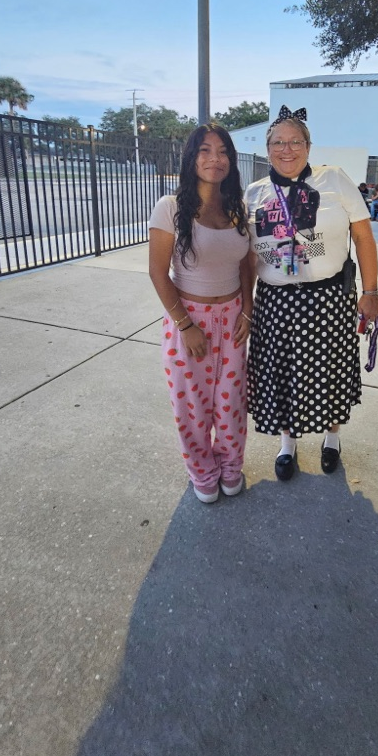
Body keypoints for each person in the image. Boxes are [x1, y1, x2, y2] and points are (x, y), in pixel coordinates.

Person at [245, 105, 378, 481]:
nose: (286, 149)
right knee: (283, 374)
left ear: (308, 145)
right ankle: (287, 444)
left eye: (295, 142)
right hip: (274, 302)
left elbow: (364, 236)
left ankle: (331, 438)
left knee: (330, 372)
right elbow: (245, 253)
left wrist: (370, 291)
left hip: (327, 300)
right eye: (277, 142)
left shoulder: (334, 179)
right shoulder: (254, 193)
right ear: (266, 147)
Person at [148, 124, 253, 504]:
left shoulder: (238, 208)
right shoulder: (171, 208)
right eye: (205, 150)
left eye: (223, 151)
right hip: (189, 320)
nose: (215, 158)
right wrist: (185, 324)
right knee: (191, 405)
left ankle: (229, 467)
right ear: (192, 158)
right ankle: (202, 471)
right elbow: (158, 272)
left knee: (231, 401)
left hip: (234, 319)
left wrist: (248, 311)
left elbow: (246, 266)